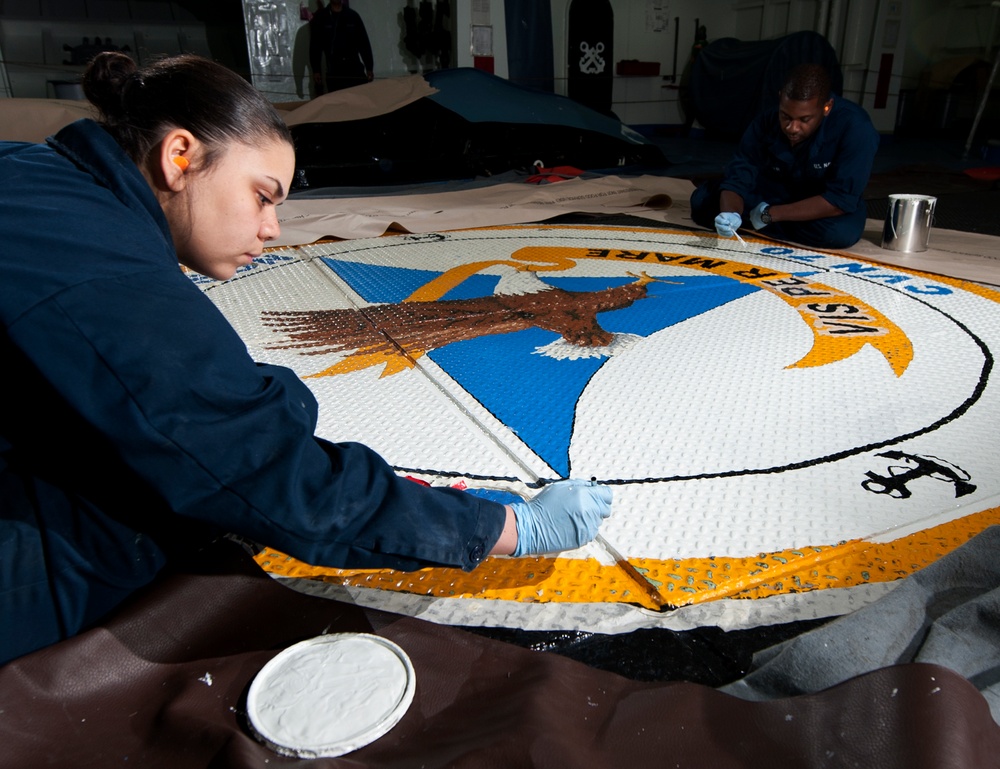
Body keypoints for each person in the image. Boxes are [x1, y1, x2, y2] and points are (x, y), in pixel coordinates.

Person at [0, 52, 612, 665]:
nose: (272, 229)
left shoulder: (37, 177)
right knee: (143, 528)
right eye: (262, 197)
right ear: (179, 155)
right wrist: (505, 528)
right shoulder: (103, 270)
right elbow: (263, 472)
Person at [690, 63, 880, 250]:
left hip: (818, 203)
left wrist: (771, 214)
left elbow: (840, 199)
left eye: (804, 120)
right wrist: (730, 214)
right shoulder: (766, 121)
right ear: (781, 98)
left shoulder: (856, 128)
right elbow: (739, 177)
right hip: (773, 193)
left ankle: (762, 222)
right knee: (702, 203)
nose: (792, 128)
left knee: (839, 234)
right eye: (786, 116)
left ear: (827, 107)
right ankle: (753, 221)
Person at [309, 0, 374, 94]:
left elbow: (363, 43)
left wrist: (369, 67)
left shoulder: (352, 16)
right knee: (339, 105)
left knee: (360, 101)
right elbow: (315, 47)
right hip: (334, 71)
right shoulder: (321, 18)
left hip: (354, 68)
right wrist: (316, 70)